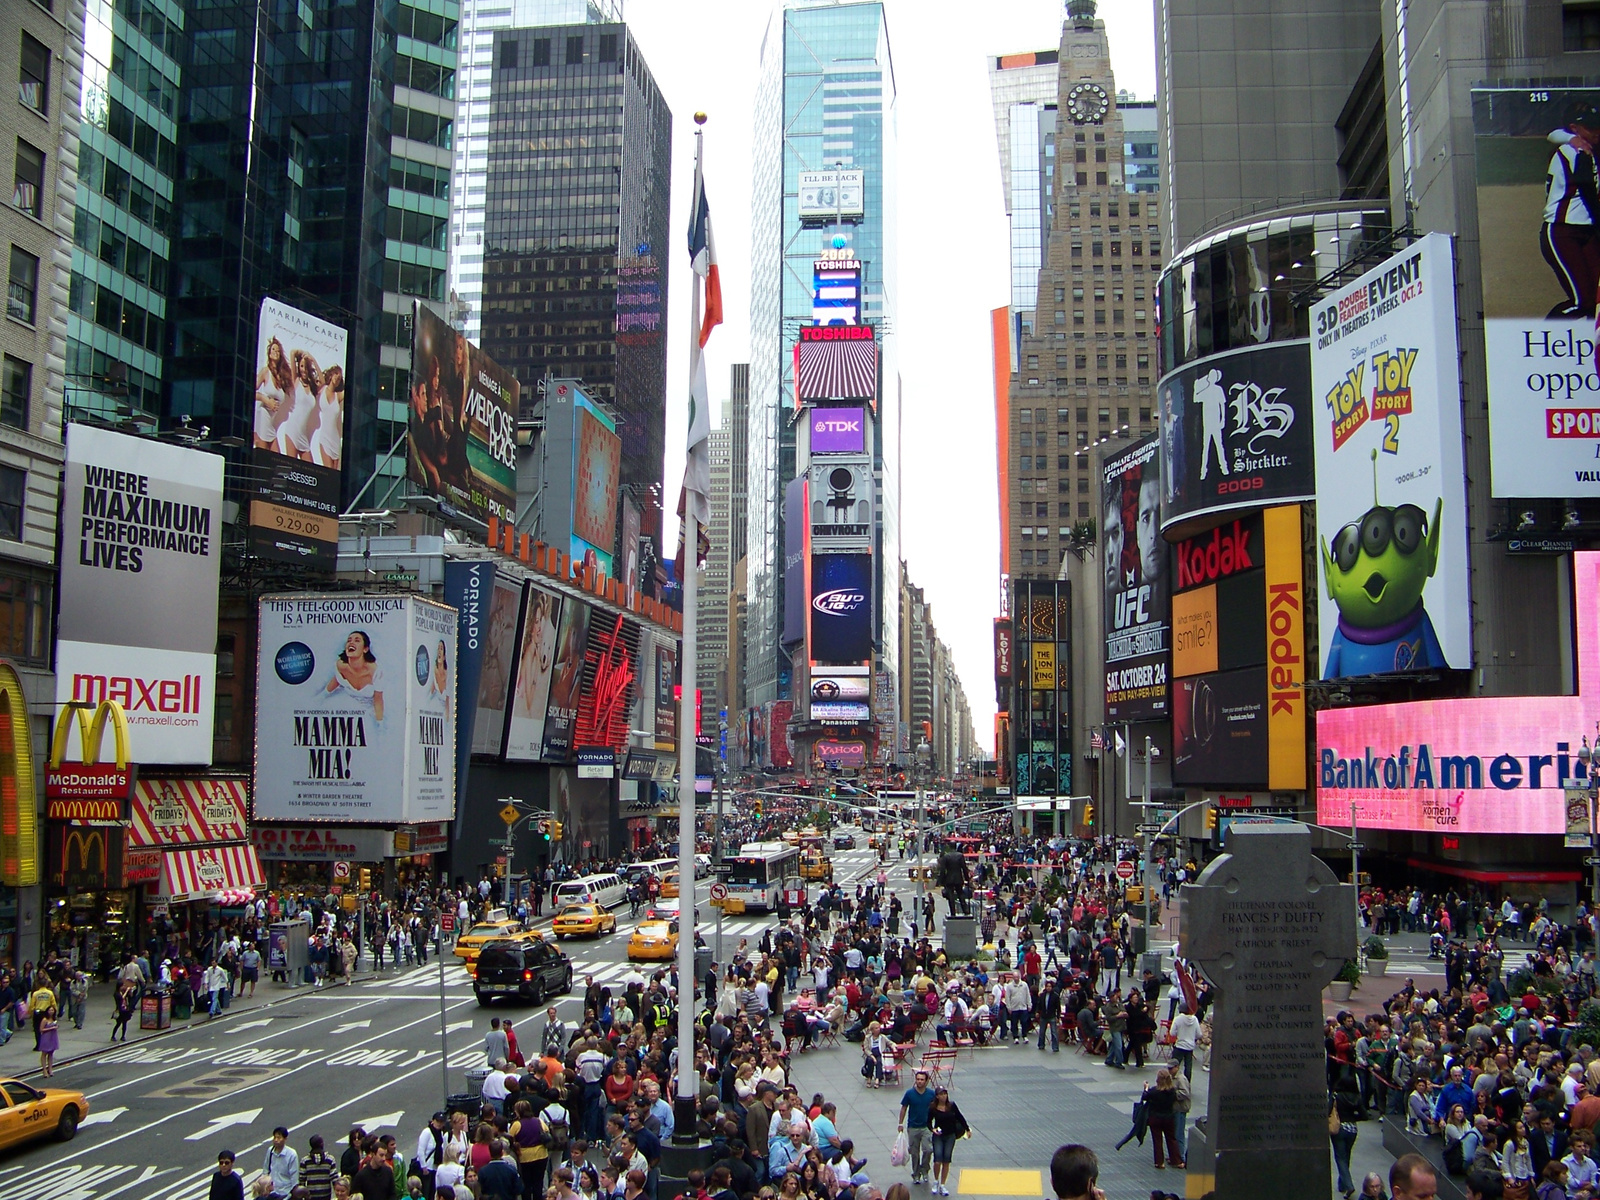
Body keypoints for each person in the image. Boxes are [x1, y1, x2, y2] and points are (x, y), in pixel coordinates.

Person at [927, 1087, 969, 1197]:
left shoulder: (952, 1106)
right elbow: (928, 1122)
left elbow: (960, 1118)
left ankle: (943, 1184)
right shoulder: (933, 1108)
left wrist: (967, 1129)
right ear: (937, 1096)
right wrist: (933, 1129)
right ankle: (936, 1180)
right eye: (941, 1094)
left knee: (946, 1160)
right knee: (938, 1159)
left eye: (945, 1094)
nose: (943, 1096)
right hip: (939, 1136)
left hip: (950, 1135)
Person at [898, 1070, 935, 1186]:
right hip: (913, 1127)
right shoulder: (909, 1093)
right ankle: (916, 1173)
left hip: (926, 1127)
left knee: (928, 1150)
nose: (919, 1082)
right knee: (914, 1152)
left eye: (922, 1080)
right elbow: (904, 1108)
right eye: (918, 1079)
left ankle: (925, 1169)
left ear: (926, 1081)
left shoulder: (931, 1094)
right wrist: (900, 1123)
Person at [1146, 1068, 1183, 1171]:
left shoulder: (1153, 1091)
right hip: (1169, 1117)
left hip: (1155, 1117)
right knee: (1171, 1138)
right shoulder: (1172, 1091)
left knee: (1157, 1140)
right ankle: (1177, 1161)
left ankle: (1159, 1162)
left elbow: (1145, 1097)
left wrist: (1146, 1088)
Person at [263, 1126, 299, 1199]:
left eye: (279, 1138)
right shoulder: (270, 1151)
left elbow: (294, 1177)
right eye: (275, 1137)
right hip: (272, 1192)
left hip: (286, 1194)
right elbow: (265, 1170)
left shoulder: (291, 1154)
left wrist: (293, 1194)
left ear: (285, 1139)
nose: (276, 1140)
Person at [299, 1133, 337, 1200]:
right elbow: (334, 1179)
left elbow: (301, 1180)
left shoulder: (305, 1161)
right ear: (322, 1144)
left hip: (311, 1195)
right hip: (326, 1195)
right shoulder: (330, 1159)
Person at [37, 1002, 57, 1077]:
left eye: (52, 1010)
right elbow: (41, 1029)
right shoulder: (45, 1020)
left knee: (51, 1053)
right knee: (44, 1053)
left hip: (53, 1037)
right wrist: (51, 1028)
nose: (51, 1012)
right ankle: (44, 1070)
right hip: (46, 1037)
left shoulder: (54, 1019)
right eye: (50, 1010)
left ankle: (50, 1069)